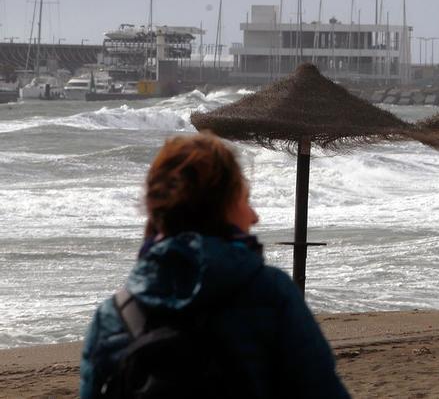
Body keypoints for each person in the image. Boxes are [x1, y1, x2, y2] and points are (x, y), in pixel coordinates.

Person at [80, 133, 350, 398]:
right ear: (224, 208)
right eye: (244, 200)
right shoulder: (271, 292)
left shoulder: (113, 315)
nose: (254, 217)